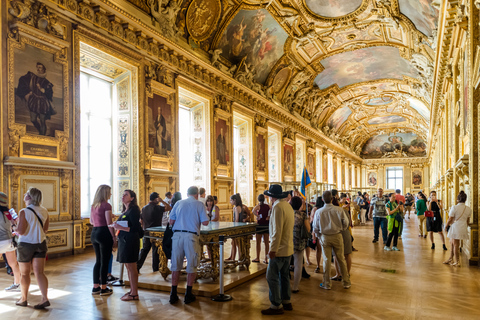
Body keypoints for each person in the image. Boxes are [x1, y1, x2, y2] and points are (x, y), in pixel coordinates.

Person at [168, 186, 209, 304]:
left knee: (176, 265)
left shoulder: (178, 203)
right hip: (191, 237)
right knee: (192, 264)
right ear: (197, 194)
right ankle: (188, 294)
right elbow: (205, 222)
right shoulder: (199, 204)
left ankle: (173, 294)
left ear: (187, 194)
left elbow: (171, 221)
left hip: (177, 236)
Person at [261, 184, 294, 315]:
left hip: (279, 249)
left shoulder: (277, 207)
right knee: (284, 275)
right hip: (288, 247)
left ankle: (276, 304)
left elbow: (277, 231)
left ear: (272, 197)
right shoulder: (287, 205)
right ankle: (286, 301)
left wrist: (272, 249)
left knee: (271, 276)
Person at [15, 187, 50, 309]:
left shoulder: (24, 211)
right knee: (40, 273)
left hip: (25, 245)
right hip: (41, 243)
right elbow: (45, 229)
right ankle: (45, 298)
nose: (24, 195)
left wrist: (14, 228)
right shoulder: (44, 211)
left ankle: (23, 299)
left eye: (26, 193)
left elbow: (21, 231)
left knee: (24, 274)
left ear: (29, 197)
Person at [313, 190, 351, 290]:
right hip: (337, 235)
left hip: (325, 236)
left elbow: (315, 227)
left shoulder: (319, 212)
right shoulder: (339, 210)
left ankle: (326, 283)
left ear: (322, 199)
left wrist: (319, 236)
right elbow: (346, 223)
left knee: (326, 260)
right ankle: (346, 282)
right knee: (341, 259)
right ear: (332, 198)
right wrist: (341, 229)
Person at [112, 190, 143, 301]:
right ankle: (132, 290)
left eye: (126, 195)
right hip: (124, 240)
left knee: (131, 267)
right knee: (128, 267)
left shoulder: (134, 210)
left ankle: (134, 293)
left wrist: (121, 227)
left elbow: (135, 228)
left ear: (132, 198)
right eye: (122, 194)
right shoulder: (126, 210)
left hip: (130, 241)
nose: (123, 196)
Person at [15, 62, 56, 135]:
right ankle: (40, 131)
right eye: (37, 67)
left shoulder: (47, 82)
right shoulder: (33, 77)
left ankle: (42, 136)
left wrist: (41, 89)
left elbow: (49, 93)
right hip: (34, 100)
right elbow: (24, 80)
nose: (38, 69)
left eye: (40, 67)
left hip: (43, 102)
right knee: (33, 119)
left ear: (43, 69)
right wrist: (29, 91)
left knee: (42, 121)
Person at [90, 185, 115, 296]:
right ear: (105, 193)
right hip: (104, 233)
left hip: (94, 232)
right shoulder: (107, 205)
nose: (110, 194)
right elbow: (109, 223)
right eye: (109, 192)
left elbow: (91, 221)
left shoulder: (93, 206)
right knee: (105, 261)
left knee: (98, 261)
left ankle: (95, 287)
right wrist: (114, 237)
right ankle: (104, 288)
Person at [137, 192, 171, 273]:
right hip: (155, 232)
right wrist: (162, 201)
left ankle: (137, 266)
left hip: (146, 232)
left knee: (144, 250)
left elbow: (141, 220)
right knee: (155, 251)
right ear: (156, 199)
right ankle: (155, 268)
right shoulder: (157, 208)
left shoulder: (144, 208)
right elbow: (169, 208)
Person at [0, 192, 21, 292]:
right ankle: (17, 284)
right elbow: (14, 225)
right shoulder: (9, 212)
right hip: (9, 241)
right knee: (14, 264)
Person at [444, 191, 471, 267]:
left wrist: (446, 225)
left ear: (457, 199)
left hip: (455, 227)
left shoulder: (454, 207)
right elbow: (467, 221)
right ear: (465, 200)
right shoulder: (468, 209)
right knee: (452, 243)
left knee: (455, 244)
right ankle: (450, 259)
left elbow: (450, 219)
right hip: (463, 227)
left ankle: (457, 261)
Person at [291, 196, 310, 293]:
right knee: (298, 264)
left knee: (286, 264)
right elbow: (308, 229)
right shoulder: (303, 216)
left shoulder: (288, 214)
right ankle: (295, 286)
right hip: (299, 242)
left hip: (288, 241)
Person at [252, 194, 270, 264]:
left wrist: (257, 216)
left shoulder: (258, 206)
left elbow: (253, 211)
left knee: (258, 242)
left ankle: (257, 257)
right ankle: (266, 258)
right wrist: (268, 216)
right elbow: (270, 211)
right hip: (266, 224)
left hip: (259, 225)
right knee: (266, 243)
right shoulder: (267, 206)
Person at [227, 193, 245, 261]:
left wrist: (233, 227)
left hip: (237, 228)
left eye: (231, 200)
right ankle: (232, 256)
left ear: (234, 200)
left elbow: (236, 219)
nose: (230, 202)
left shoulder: (237, 208)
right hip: (238, 227)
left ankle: (235, 258)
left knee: (236, 243)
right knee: (234, 243)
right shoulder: (238, 207)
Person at [310, 196, 324, 273]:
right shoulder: (323, 209)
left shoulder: (315, 209)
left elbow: (312, 220)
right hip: (324, 231)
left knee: (318, 249)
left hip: (317, 231)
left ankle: (318, 265)